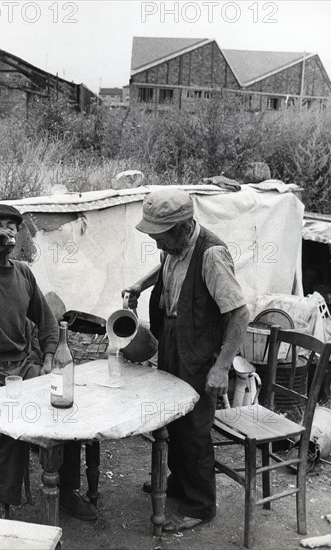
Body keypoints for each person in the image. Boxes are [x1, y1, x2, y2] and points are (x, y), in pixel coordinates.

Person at [0, 204, 97, 521]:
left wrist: (50, 358)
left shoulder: (23, 273)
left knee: (64, 405)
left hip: (21, 366)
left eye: (12, 225)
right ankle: (0, 502)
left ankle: (65, 490)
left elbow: (48, 322)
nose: (8, 231)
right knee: (10, 419)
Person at [123, 188, 250, 532]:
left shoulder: (211, 255)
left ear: (181, 227)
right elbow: (166, 263)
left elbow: (239, 314)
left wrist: (222, 367)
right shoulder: (176, 245)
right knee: (174, 419)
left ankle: (200, 505)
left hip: (199, 349)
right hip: (172, 339)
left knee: (194, 428)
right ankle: (179, 483)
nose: (158, 245)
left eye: (160, 237)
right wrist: (141, 284)